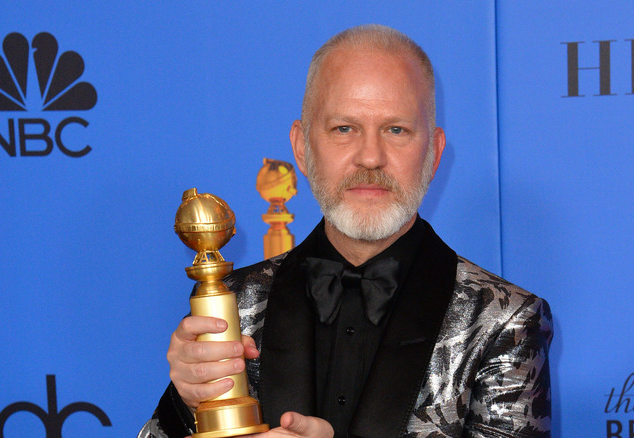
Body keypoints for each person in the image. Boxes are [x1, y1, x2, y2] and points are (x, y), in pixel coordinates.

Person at [139, 24, 552, 438]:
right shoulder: (233, 303)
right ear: (302, 148)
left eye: (396, 130)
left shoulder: (503, 320)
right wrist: (185, 400)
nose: (370, 157)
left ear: (434, 151)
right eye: (344, 129)